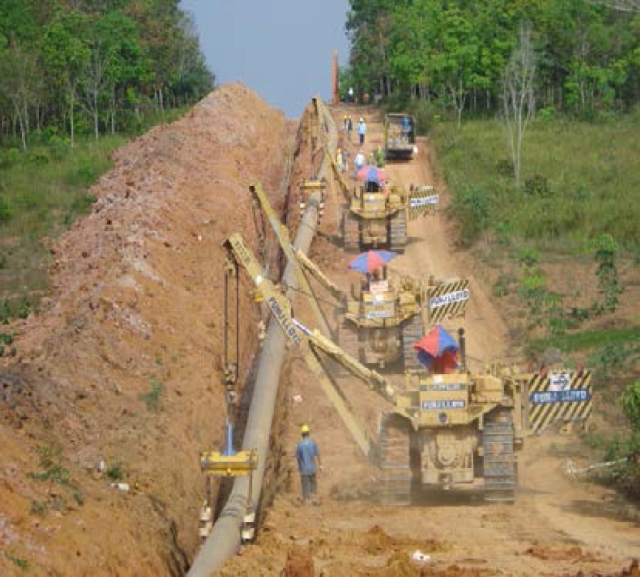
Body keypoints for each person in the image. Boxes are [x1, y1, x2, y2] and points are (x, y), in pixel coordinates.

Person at [296, 424, 321, 505]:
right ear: (308, 433)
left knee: (305, 485)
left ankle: (306, 500)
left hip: (304, 469)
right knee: (313, 484)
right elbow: (317, 454)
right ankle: (313, 498)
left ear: (302, 434)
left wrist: (299, 467)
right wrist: (320, 465)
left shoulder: (300, 445)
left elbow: (298, 458)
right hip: (312, 469)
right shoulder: (312, 443)